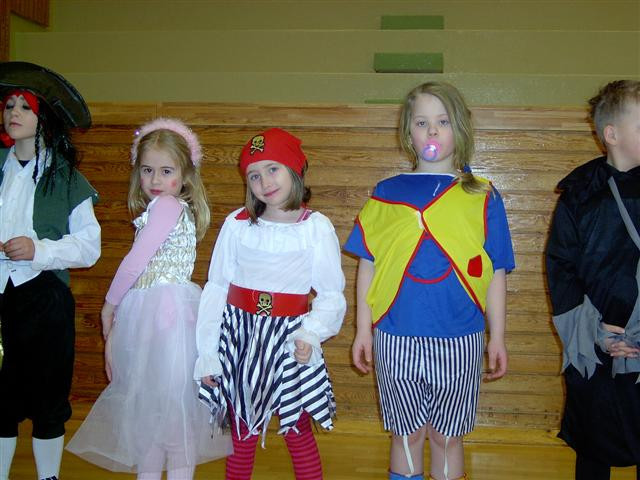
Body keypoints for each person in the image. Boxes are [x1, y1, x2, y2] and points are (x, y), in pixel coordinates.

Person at [345, 81, 515, 480]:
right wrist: (362, 330)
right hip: (395, 336)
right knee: (406, 436)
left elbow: (496, 271)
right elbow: (368, 266)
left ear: (460, 128)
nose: (432, 130)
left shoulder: (483, 195)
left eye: (443, 121)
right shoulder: (386, 193)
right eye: (422, 122)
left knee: (447, 438)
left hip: (460, 338)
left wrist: (498, 337)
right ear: (409, 132)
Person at [65, 118, 232, 479]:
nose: (155, 179)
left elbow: (135, 262)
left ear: (185, 175)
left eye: (166, 171)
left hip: (164, 317)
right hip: (152, 315)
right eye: (147, 170)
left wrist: (109, 305)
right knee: (153, 416)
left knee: (169, 418)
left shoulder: (168, 206)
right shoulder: (163, 208)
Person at [196, 127, 346, 480]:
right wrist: (208, 353)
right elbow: (216, 288)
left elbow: (331, 294)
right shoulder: (237, 224)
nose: (264, 181)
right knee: (241, 429)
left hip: (290, 340)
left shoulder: (316, 227)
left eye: (272, 168)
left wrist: (310, 334)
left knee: (297, 429)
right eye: (254, 175)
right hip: (240, 337)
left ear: (294, 169)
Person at [0, 61, 101, 480]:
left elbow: (89, 247)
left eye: (25, 106)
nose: (14, 112)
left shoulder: (67, 178)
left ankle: (48, 477)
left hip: (46, 302)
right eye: (9, 105)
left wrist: (39, 249)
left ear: (45, 118)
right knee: (0, 397)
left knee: (48, 395)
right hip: (1, 299)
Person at [546, 80, 640, 480]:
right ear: (612, 134)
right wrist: (592, 333)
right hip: (596, 350)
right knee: (593, 448)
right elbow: (561, 268)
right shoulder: (580, 194)